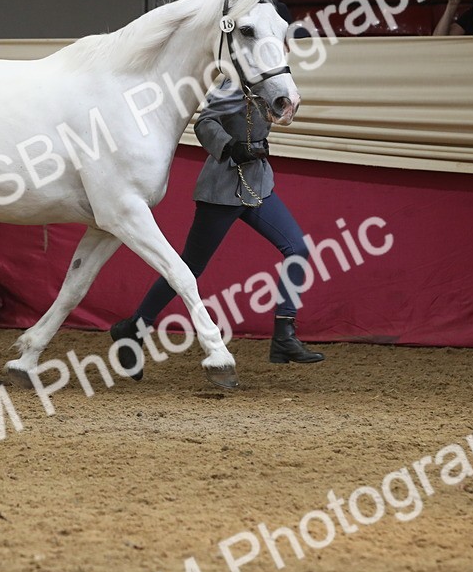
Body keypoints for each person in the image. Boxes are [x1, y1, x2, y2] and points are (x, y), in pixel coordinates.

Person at [109, 67, 324, 381]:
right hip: (223, 188)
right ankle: (133, 328)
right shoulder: (232, 82)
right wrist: (230, 147)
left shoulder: (270, 81)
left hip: (256, 184)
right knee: (188, 268)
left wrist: (284, 108)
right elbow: (206, 121)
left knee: (298, 248)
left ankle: (283, 336)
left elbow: (278, 111)